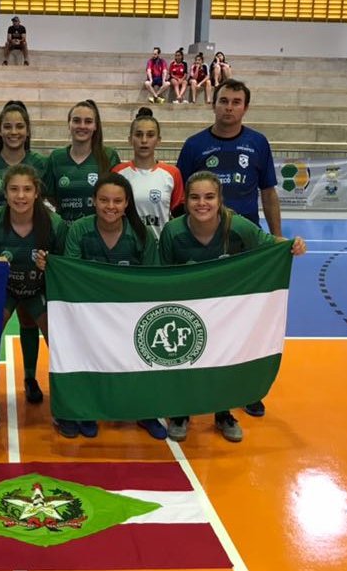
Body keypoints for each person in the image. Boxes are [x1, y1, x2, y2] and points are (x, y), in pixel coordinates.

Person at [158, 171, 306, 443]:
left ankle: (223, 412)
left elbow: (270, 244)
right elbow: (161, 274)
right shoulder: (173, 232)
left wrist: (291, 245)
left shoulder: (237, 226)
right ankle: (181, 411)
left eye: (209, 197)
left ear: (220, 200)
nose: (202, 203)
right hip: (187, 308)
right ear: (186, 201)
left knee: (224, 358)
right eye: (195, 197)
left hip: (227, 310)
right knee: (185, 358)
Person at [176, 78, 283, 419]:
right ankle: (189, 388)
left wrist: (277, 238)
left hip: (244, 248)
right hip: (202, 247)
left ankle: (244, 390)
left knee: (242, 321)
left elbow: (268, 193)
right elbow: (180, 199)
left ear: (245, 107)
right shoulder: (195, 145)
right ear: (214, 104)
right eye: (224, 100)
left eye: (237, 101)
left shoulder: (258, 143)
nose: (229, 107)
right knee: (199, 316)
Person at [57, 173, 161, 440]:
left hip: (130, 314)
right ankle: (87, 410)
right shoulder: (79, 230)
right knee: (87, 359)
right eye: (104, 200)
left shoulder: (141, 234)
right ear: (93, 201)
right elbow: (70, 272)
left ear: (127, 203)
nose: (110, 206)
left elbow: (153, 279)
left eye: (117, 201)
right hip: (89, 313)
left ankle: (145, 410)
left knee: (139, 360)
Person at [0, 164, 66, 406]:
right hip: (5, 289)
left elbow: (65, 268)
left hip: (37, 289)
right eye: (14, 189)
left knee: (59, 338)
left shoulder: (54, 223)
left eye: (27, 189)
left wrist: (51, 266)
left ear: (37, 192)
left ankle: (46, 388)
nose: (20, 195)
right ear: (4, 193)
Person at [44, 99, 120, 224]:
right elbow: (50, 196)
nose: (82, 126)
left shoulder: (109, 156)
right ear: (69, 124)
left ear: (95, 126)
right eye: (76, 120)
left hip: (99, 233)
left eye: (88, 121)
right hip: (66, 232)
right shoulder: (56, 158)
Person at [113, 108, 184, 238]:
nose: (144, 140)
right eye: (138, 135)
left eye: (150, 135)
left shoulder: (172, 174)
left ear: (158, 140)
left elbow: (179, 215)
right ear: (130, 139)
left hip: (159, 248)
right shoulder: (118, 173)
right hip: (127, 247)